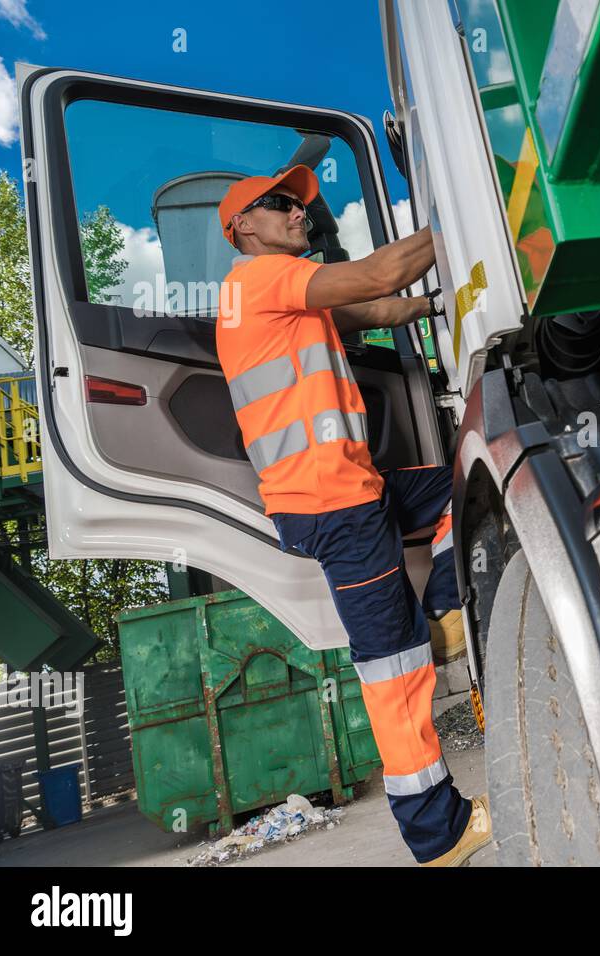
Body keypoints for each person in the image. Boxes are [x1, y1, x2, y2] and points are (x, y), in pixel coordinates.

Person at [214, 164, 489, 866]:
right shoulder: (259, 279)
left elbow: (383, 306)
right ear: (244, 226)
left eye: (297, 203)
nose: (297, 213)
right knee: (393, 668)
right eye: (280, 205)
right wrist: (471, 210)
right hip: (333, 505)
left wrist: (436, 305)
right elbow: (374, 276)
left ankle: (447, 611)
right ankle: (439, 833)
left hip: (346, 492)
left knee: (463, 479)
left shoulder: (284, 298)